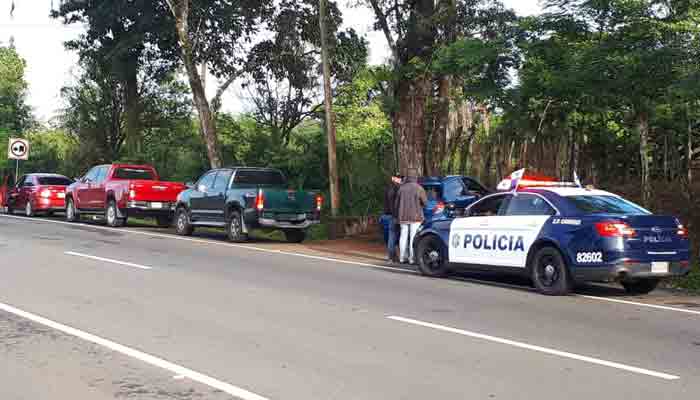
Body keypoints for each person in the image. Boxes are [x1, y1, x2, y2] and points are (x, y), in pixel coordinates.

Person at [395, 169, 427, 264]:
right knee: (413, 237)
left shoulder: (401, 188)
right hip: (416, 217)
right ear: (415, 177)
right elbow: (425, 203)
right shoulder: (419, 188)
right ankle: (412, 259)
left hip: (402, 216)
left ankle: (402, 258)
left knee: (403, 237)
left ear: (407, 177)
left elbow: (396, 204)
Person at [383, 173, 402, 261]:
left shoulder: (387, 188)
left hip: (389, 215)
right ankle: (399, 256)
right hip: (396, 216)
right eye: (398, 178)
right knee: (399, 236)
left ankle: (391, 256)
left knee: (391, 236)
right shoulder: (399, 189)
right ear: (393, 178)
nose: (400, 179)